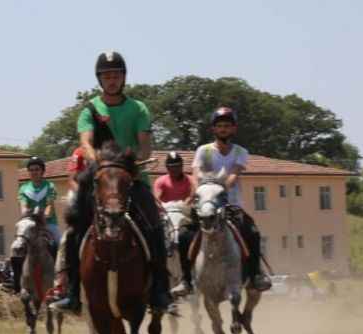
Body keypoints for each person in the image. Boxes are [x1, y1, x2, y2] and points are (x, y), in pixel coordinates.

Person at [49, 50, 173, 316]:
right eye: (107, 75)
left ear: (124, 77)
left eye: (116, 74)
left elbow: (145, 149)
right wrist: (102, 164)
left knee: (155, 226)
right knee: (74, 228)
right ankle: (71, 293)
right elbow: (85, 142)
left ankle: (161, 291)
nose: (112, 79)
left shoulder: (138, 108)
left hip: (133, 180)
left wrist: (126, 164)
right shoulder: (89, 110)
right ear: (100, 79)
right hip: (100, 181)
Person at [191, 107, 272, 291]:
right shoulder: (203, 151)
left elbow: (234, 174)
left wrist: (220, 191)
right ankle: (186, 278)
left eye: (227, 126)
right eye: (219, 126)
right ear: (213, 129)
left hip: (231, 205)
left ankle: (255, 275)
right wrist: (201, 195)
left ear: (234, 129)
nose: (223, 129)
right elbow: (196, 174)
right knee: (184, 234)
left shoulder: (240, 152)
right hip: (204, 205)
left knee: (252, 233)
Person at [10, 156, 61, 295]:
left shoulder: (49, 186)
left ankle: (60, 280)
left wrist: (42, 216)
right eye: (31, 170)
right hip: (30, 222)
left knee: (61, 245)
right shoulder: (24, 188)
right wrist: (29, 216)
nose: (34, 172)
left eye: (37, 169)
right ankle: (16, 283)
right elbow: (23, 208)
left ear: (43, 171)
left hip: (48, 223)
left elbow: (49, 207)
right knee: (16, 247)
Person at [153, 152, 197, 296]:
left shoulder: (190, 179)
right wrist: (162, 205)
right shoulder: (161, 181)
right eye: (171, 167)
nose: (174, 169)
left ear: (182, 166)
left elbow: (193, 195)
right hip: (167, 215)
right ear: (167, 167)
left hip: (186, 215)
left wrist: (185, 204)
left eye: (177, 166)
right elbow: (157, 198)